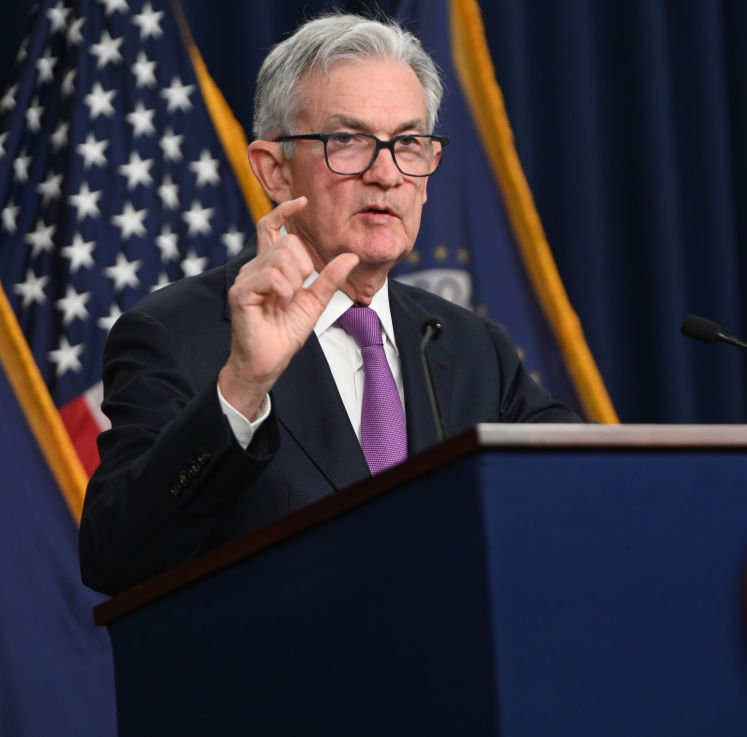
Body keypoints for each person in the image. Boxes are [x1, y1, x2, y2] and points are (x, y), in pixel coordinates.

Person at [79, 12, 578, 596]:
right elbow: (115, 557)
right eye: (348, 141)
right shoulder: (175, 335)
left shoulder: (471, 346)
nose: (386, 173)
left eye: (408, 144)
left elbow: (577, 489)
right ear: (275, 171)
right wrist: (242, 388)